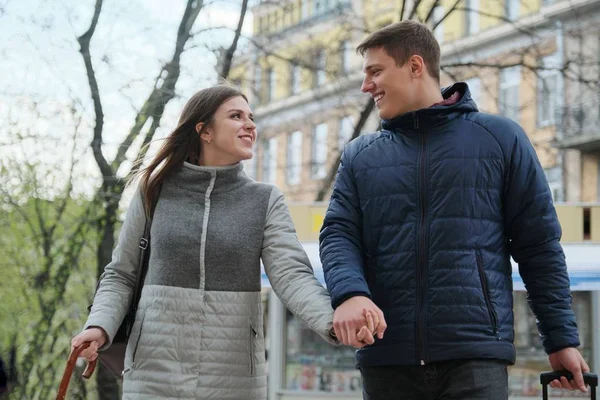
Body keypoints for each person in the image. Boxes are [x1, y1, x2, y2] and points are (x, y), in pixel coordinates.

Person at [319, 20, 590, 400]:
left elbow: (539, 246)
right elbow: (337, 235)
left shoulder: (500, 138)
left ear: (415, 66)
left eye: (375, 71)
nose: (366, 86)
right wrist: (349, 294)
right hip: (387, 359)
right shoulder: (359, 156)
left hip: (475, 358)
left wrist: (560, 338)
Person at [71, 85, 375, 399]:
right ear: (204, 131)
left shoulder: (264, 200)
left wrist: (333, 321)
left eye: (251, 117)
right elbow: (122, 273)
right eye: (236, 116)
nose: (250, 124)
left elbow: (291, 276)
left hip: (234, 377)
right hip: (152, 371)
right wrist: (99, 326)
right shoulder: (154, 189)